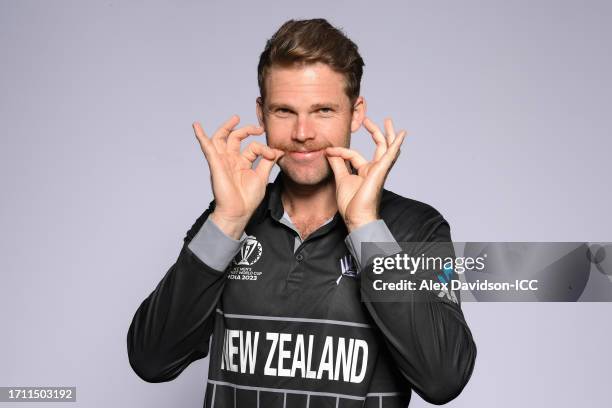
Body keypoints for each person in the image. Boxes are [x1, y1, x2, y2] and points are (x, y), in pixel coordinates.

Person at [127, 18, 476, 407]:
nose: (302, 132)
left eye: (323, 110)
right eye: (284, 111)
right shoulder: (229, 218)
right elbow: (151, 360)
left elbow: (443, 378)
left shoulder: (416, 226)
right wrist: (227, 222)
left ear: (355, 113)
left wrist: (365, 226)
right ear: (261, 114)